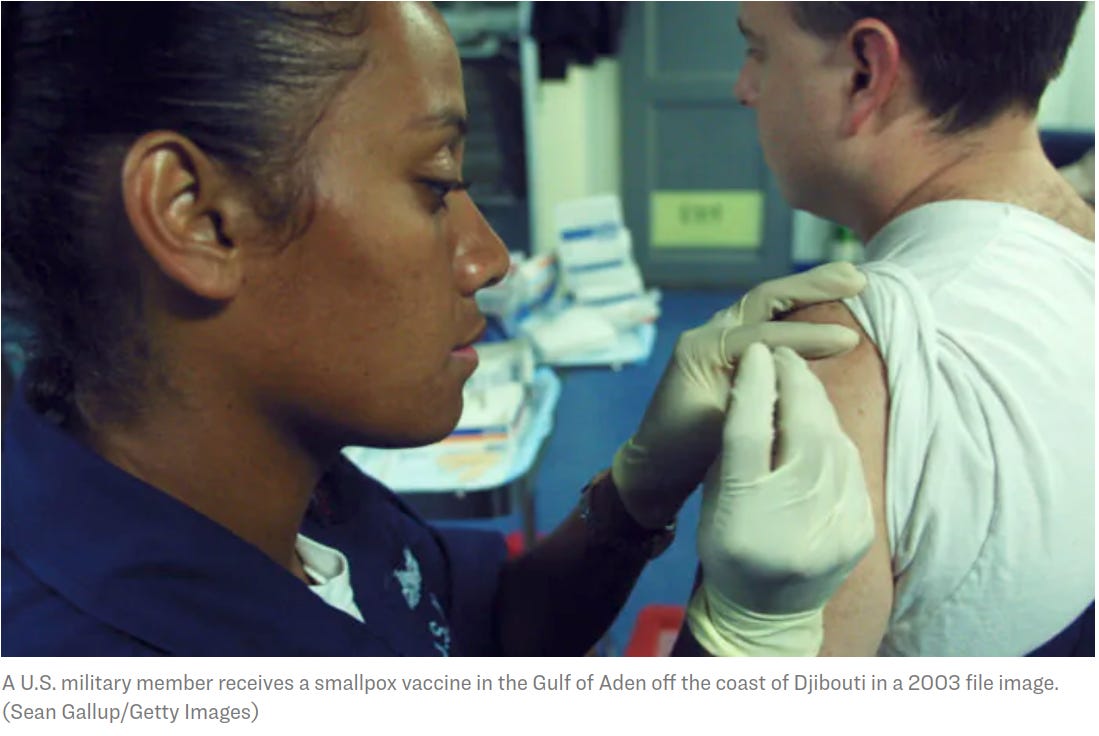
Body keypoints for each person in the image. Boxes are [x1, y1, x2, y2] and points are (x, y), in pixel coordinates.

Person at [2, 2, 873, 657]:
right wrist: (745, 644)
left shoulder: (292, 489)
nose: (488, 258)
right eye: (433, 184)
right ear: (201, 219)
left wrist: (635, 494)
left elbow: (479, 630)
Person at [682, 1, 1094, 656]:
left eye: (758, 51)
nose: (744, 88)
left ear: (864, 73)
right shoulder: (1081, 251)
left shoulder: (838, 358)